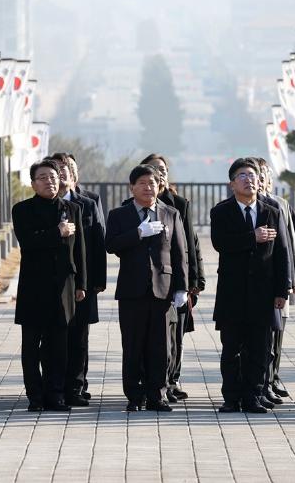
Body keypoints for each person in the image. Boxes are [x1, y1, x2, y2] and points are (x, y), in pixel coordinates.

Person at [105, 164, 188, 412]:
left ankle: (157, 395)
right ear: (132, 187)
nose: (148, 187)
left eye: (152, 183)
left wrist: (182, 288)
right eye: (142, 183)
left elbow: (179, 252)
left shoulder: (170, 213)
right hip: (132, 290)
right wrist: (137, 233)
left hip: (163, 289)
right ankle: (134, 395)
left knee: (161, 347)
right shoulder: (119, 215)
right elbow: (111, 245)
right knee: (133, 345)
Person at [210, 158, 289, 414]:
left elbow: (281, 254)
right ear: (232, 183)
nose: (249, 180)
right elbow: (220, 243)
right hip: (232, 292)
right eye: (242, 176)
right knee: (231, 348)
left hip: (262, 293)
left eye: (252, 175)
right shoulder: (221, 211)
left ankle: (253, 395)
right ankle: (231, 397)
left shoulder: (271, 212)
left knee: (259, 348)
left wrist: (281, 291)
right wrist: (251, 237)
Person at [11, 159, 87, 412]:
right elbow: (29, 241)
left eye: (53, 177)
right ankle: (35, 396)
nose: (49, 181)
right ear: (33, 183)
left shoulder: (71, 208)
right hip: (33, 287)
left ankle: (56, 395)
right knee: (31, 347)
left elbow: (80, 250)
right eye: (42, 177)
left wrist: (81, 283)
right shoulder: (22, 210)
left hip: (64, 286)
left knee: (59, 346)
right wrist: (57, 232)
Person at [141, 153, 206, 402]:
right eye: (155, 169)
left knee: (176, 333)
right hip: (150, 281)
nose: (161, 174)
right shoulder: (135, 204)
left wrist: (194, 280)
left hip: (177, 279)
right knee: (152, 336)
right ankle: (151, 381)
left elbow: (190, 243)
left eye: (164, 170)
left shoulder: (180, 203)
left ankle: (172, 379)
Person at [49, 153, 107, 407]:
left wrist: (97, 280)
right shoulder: (47, 205)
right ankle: (55, 386)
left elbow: (98, 241)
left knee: (79, 337)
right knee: (56, 337)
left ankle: (76, 386)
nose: (62, 174)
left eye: (67, 169)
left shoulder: (88, 203)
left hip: (83, 281)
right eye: (57, 169)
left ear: (75, 175)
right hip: (54, 283)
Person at [254, 156, 295, 405]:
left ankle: (273, 378)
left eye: (263, 175)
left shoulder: (280, 205)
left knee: (277, 334)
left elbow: (290, 244)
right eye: (254, 174)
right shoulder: (254, 208)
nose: (260, 180)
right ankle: (261, 382)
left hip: (281, 280)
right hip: (259, 284)